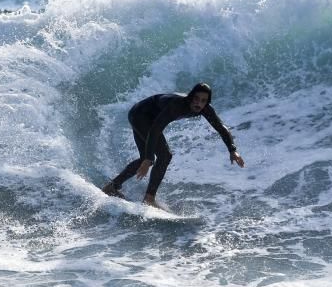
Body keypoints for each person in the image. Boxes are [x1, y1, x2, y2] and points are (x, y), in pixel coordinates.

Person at [101, 82, 245, 208]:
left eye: (203, 101)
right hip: (140, 115)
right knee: (162, 155)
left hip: (146, 117)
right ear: (190, 97)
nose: (198, 104)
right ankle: (149, 199)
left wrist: (233, 150)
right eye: (196, 99)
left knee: (145, 158)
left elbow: (221, 127)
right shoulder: (177, 105)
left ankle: (112, 187)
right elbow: (155, 129)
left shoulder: (205, 109)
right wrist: (149, 158)